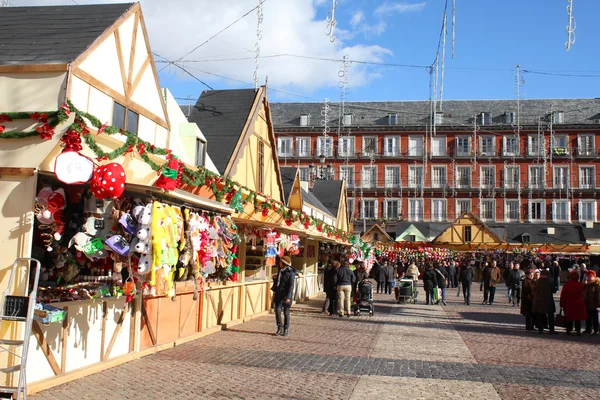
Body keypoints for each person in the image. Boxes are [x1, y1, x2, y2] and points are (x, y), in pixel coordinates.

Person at [272, 256, 296, 336]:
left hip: (286, 295)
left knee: (286, 312)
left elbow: (291, 285)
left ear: (284, 263)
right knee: (277, 311)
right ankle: (279, 327)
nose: (279, 263)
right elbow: (279, 282)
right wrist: (275, 279)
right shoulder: (280, 270)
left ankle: (286, 328)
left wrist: (288, 297)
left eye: (280, 262)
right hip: (278, 294)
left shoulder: (290, 273)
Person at [560, 270, 587, 336]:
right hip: (578, 303)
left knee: (569, 317)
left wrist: (562, 304)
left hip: (569, 303)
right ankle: (578, 330)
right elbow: (584, 295)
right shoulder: (581, 285)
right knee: (578, 318)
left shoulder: (567, 285)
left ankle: (569, 330)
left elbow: (563, 295)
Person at [533, 270, 556, 334]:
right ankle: (551, 329)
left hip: (539, 299)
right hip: (548, 299)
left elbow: (534, 289)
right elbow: (553, 290)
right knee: (550, 315)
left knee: (540, 314)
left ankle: (541, 329)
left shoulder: (538, 281)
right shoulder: (549, 281)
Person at [583, 270, 600, 335]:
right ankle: (588, 329)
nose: (588, 278)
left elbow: (598, 295)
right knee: (588, 317)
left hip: (594, 304)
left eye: (590, 277)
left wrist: (598, 304)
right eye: (587, 276)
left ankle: (596, 330)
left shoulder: (597, 284)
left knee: (595, 318)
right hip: (587, 304)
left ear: (594, 277)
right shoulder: (587, 284)